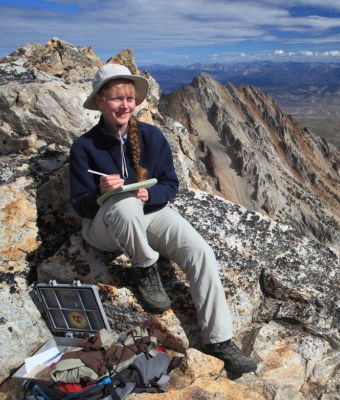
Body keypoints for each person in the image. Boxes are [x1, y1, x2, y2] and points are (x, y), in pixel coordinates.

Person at [69, 63, 257, 375]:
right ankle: (144, 268)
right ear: (100, 101)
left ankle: (220, 340)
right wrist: (101, 191)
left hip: (150, 212)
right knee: (125, 205)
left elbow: (169, 184)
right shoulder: (84, 147)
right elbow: (80, 205)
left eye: (129, 99)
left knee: (200, 252)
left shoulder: (152, 137)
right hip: (105, 226)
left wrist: (150, 196)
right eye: (117, 98)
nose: (125, 105)